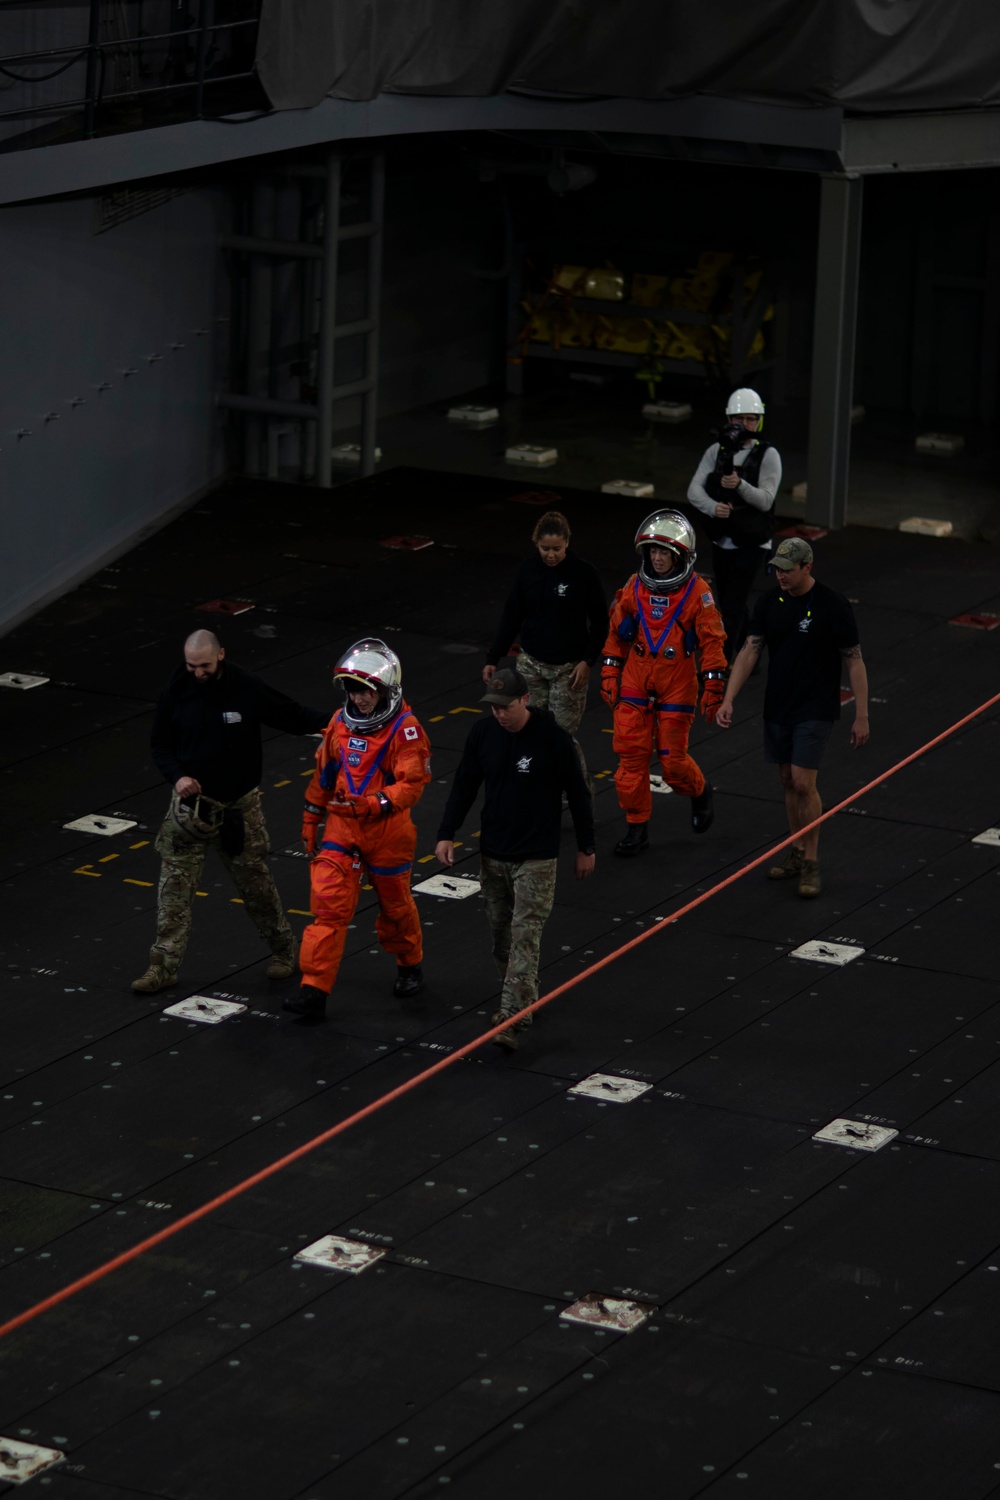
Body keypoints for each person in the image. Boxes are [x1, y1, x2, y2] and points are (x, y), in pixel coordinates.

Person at [132, 629, 329, 994]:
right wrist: (177, 777)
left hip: (239, 807)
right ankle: (162, 968)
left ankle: (285, 952)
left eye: (204, 665)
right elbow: (160, 744)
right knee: (172, 893)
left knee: (256, 886)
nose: (197, 673)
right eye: (191, 666)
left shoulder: (246, 687)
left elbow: (292, 714)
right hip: (189, 812)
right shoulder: (176, 691)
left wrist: (342, 723)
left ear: (220, 655)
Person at [434, 665, 595, 1051]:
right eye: (494, 707)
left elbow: (578, 794)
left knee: (525, 937)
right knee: (502, 936)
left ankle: (511, 1016)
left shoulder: (554, 741)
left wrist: (586, 848)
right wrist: (446, 833)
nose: (499, 714)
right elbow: (465, 785)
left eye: (506, 707)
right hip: (493, 854)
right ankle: (523, 995)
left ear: (525, 699)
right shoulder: (483, 734)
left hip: (536, 858)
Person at [715, 536, 870, 898]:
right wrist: (729, 698)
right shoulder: (770, 602)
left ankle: (812, 861)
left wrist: (861, 715)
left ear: (806, 567)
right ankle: (797, 851)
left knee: (803, 782)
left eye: (787, 569)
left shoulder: (833, 606)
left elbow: (854, 659)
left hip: (814, 707)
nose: (780, 575)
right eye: (776, 569)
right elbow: (750, 650)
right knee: (787, 778)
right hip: (779, 704)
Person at [284, 638, 431, 1018]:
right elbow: (324, 775)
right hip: (343, 828)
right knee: (328, 907)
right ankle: (313, 991)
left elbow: (411, 784)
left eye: (367, 691)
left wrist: (374, 803)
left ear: (385, 690)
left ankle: (409, 963)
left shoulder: (406, 729)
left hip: (388, 832)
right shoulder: (338, 724)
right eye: (354, 690)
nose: (360, 699)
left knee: (394, 906)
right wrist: (311, 817)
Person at [601, 510, 728, 857]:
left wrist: (714, 689)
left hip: (677, 682)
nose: (657, 558)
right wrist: (610, 672)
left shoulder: (698, 593)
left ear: (680, 556)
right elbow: (616, 634)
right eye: (653, 551)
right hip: (636, 679)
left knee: (673, 764)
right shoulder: (633, 586)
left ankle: (700, 792)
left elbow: (713, 644)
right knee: (630, 758)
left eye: (665, 553)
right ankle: (636, 828)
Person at [483, 510, 606, 788]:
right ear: (535, 543)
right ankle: (535, 794)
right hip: (531, 665)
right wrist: (493, 657)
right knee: (528, 731)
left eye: (557, 549)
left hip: (569, 669)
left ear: (567, 543)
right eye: (545, 549)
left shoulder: (584, 574)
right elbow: (511, 616)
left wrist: (587, 661)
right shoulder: (528, 571)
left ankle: (580, 795)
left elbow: (601, 623)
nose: (551, 555)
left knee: (560, 736)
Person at [687, 388, 782, 660]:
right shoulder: (716, 450)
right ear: (729, 420)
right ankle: (749, 657)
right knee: (731, 600)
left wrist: (739, 485)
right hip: (723, 538)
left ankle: (723, 661)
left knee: (732, 603)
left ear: (759, 421)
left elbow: (765, 500)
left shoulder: (768, 455)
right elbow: (694, 490)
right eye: (739, 419)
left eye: (751, 419)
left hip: (753, 540)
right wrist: (713, 508)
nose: (745, 425)